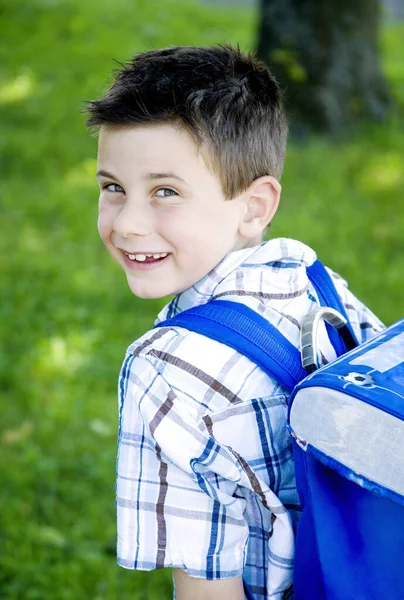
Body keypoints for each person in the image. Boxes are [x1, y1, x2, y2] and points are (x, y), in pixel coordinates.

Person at [86, 45, 383, 600]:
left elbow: (207, 588)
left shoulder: (164, 370)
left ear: (253, 206)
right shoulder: (308, 278)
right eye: (113, 188)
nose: (127, 223)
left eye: (165, 192)